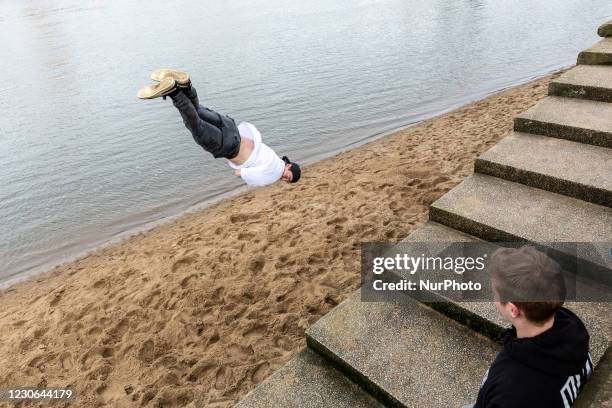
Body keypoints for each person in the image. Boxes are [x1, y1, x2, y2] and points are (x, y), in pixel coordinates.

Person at [468, 246, 592, 408]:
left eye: (495, 294)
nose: (494, 298)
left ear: (513, 309)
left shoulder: (511, 392)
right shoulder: (571, 327)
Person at [137, 69, 301, 187]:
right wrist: (243, 173)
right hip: (228, 146)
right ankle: (174, 91)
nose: (285, 179)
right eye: (289, 176)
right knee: (196, 126)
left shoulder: (275, 158)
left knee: (198, 111)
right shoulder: (273, 173)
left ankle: (185, 85)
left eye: (288, 181)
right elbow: (241, 174)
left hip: (232, 128)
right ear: (289, 166)